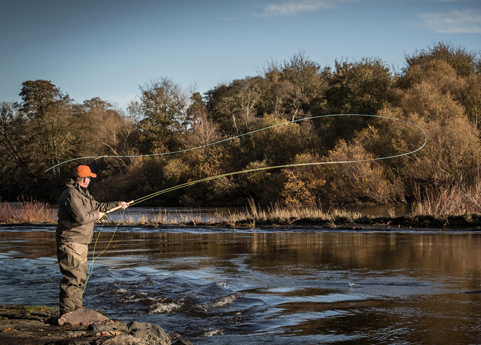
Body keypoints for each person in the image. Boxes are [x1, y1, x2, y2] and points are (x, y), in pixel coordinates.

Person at [56, 165, 129, 316]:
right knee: (73, 278)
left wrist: (118, 204)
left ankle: (76, 311)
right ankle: (68, 314)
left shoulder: (83, 193)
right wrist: (98, 216)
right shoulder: (70, 194)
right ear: (83, 179)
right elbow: (82, 218)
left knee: (80, 278)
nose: (90, 180)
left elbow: (98, 206)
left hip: (81, 242)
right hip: (71, 241)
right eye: (89, 177)